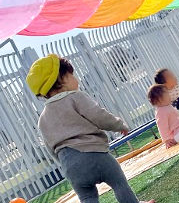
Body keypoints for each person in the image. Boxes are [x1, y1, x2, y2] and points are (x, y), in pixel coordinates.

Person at [26, 54, 155, 203]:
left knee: (87, 197)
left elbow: (51, 148)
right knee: (119, 183)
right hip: (95, 155)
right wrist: (119, 125)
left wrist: (66, 162)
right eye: (72, 75)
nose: (77, 80)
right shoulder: (75, 97)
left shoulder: (43, 119)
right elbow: (99, 116)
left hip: (70, 166)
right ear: (62, 79)